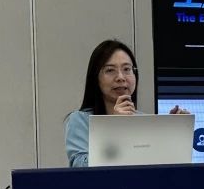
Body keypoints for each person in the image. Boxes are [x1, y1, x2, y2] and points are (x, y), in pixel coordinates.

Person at [64, 39, 188, 167]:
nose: (120, 77)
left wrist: (173, 134)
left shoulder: (145, 121)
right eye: (110, 70)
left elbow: (164, 170)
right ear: (95, 78)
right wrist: (115, 126)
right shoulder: (80, 120)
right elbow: (80, 167)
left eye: (127, 69)